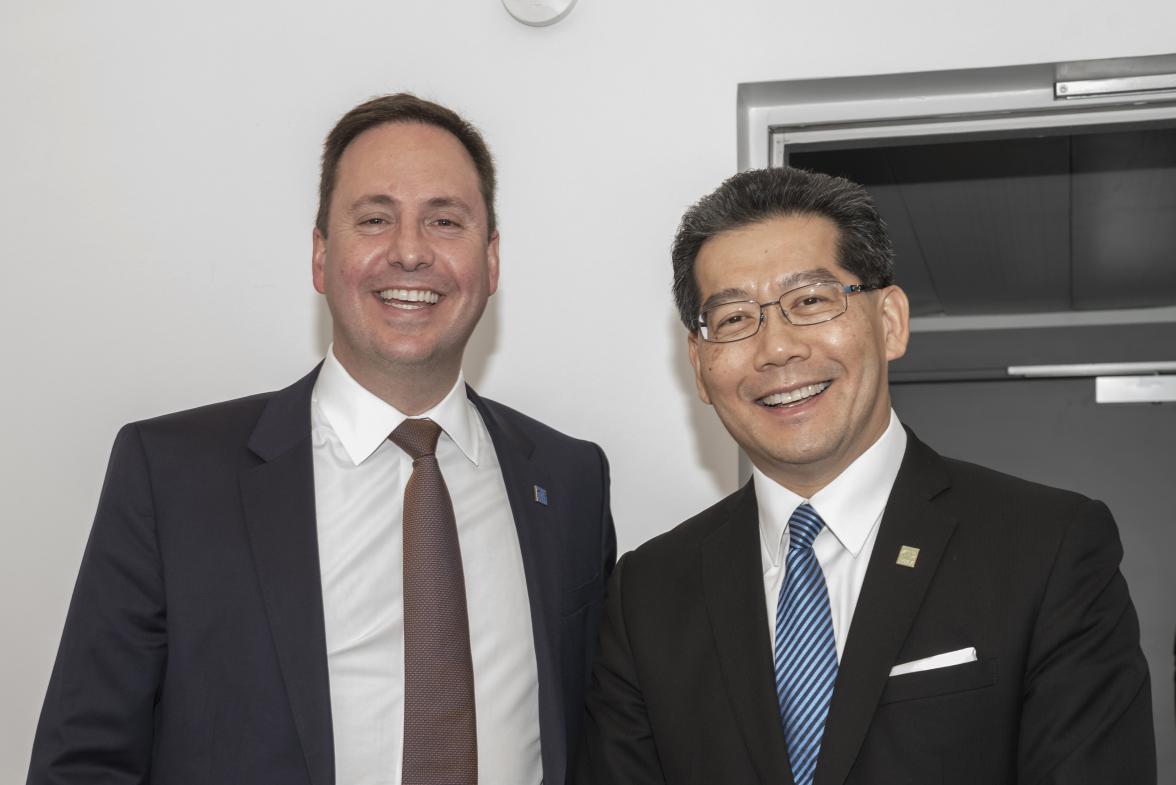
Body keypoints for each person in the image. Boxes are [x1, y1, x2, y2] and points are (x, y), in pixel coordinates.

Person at [29, 93, 616, 785]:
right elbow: (85, 762)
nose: (409, 251)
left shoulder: (571, 480)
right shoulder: (171, 477)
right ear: (320, 255)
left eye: (444, 220)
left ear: (490, 262)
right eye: (374, 219)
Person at [577, 167, 1154, 785]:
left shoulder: (1049, 548)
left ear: (889, 322)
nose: (776, 349)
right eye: (735, 319)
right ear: (699, 364)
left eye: (810, 302)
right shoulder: (648, 593)